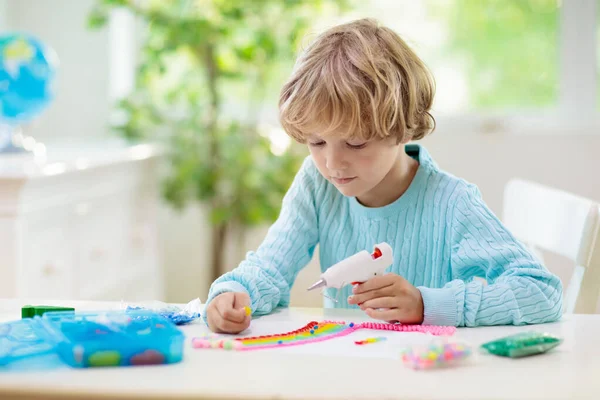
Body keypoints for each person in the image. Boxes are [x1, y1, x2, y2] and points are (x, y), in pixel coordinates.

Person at [203, 18, 563, 334]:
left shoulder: (452, 203)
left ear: (403, 129)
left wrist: (428, 304)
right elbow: (270, 267)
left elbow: (542, 292)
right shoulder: (316, 184)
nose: (332, 164)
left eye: (356, 143)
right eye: (316, 142)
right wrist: (235, 292)